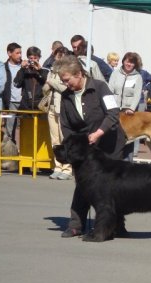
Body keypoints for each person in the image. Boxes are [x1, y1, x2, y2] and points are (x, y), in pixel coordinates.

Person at [57, 55, 126, 238]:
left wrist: (98, 133)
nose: (66, 84)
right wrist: (72, 147)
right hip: (86, 149)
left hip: (109, 143)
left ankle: (116, 226)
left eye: (67, 80)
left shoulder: (100, 87)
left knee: (112, 187)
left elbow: (113, 114)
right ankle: (76, 225)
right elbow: (65, 125)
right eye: (63, 81)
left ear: (78, 74)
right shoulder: (66, 97)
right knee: (83, 184)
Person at [45, 46, 74, 180]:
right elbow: (45, 88)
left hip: (63, 108)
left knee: (65, 138)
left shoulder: (69, 71)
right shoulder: (51, 70)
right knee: (54, 140)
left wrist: (51, 82)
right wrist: (48, 83)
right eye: (57, 55)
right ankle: (57, 166)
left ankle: (67, 169)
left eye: (61, 55)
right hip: (50, 107)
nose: (58, 58)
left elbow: (65, 88)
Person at [108, 51, 143, 161]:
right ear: (123, 61)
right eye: (127, 61)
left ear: (135, 65)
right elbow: (110, 90)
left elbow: (137, 95)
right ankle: (115, 161)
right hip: (115, 109)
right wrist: (111, 107)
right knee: (115, 136)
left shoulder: (138, 77)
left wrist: (131, 108)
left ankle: (128, 162)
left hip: (128, 111)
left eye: (132, 63)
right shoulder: (115, 73)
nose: (129, 64)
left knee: (128, 137)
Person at [13, 46, 48, 111]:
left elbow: (48, 83)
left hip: (39, 107)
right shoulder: (24, 71)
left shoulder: (45, 71)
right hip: (26, 107)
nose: (33, 60)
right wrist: (22, 69)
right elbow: (16, 84)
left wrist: (40, 71)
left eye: (35, 58)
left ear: (39, 58)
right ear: (27, 58)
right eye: (31, 58)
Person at [2, 42, 22, 142]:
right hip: (11, 102)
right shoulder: (3, 68)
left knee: (25, 129)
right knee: (9, 130)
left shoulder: (24, 66)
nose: (20, 55)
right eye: (17, 53)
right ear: (9, 53)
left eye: (20, 53)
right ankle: (9, 154)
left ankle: (24, 154)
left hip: (24, 102)